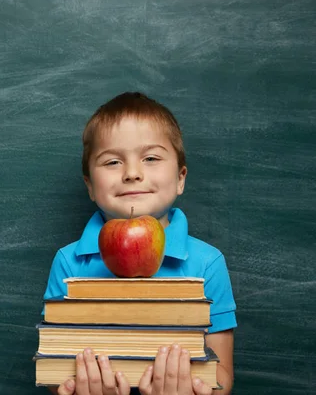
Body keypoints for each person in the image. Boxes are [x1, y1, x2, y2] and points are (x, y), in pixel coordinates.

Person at [43, 92, 237, 395]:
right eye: (112, 161)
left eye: (151, 158)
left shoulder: (206, 263)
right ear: (90, 186)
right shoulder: (69, 263)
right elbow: (53, 368)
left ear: (181, 178)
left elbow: (222, 375)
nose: (132, 173)